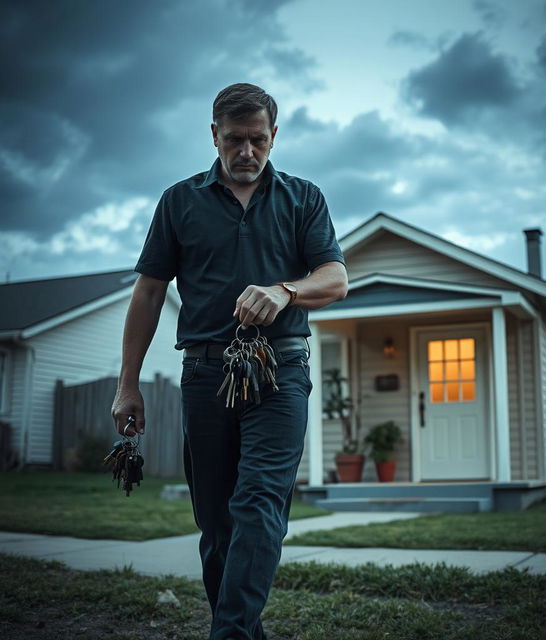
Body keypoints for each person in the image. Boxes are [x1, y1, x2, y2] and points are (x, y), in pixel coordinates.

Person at [111, 83, 348, 640]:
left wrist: (286, 290)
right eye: (235, 140)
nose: (247, 152)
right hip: (205, 375)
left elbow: (335, 278)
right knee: (216, 524)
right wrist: (129, 385)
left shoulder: (303, 198)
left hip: (280, 370)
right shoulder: (178, 201)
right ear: (214, 135)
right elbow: (147, 294)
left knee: (260, 502)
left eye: (258, 140)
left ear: (274, 137)